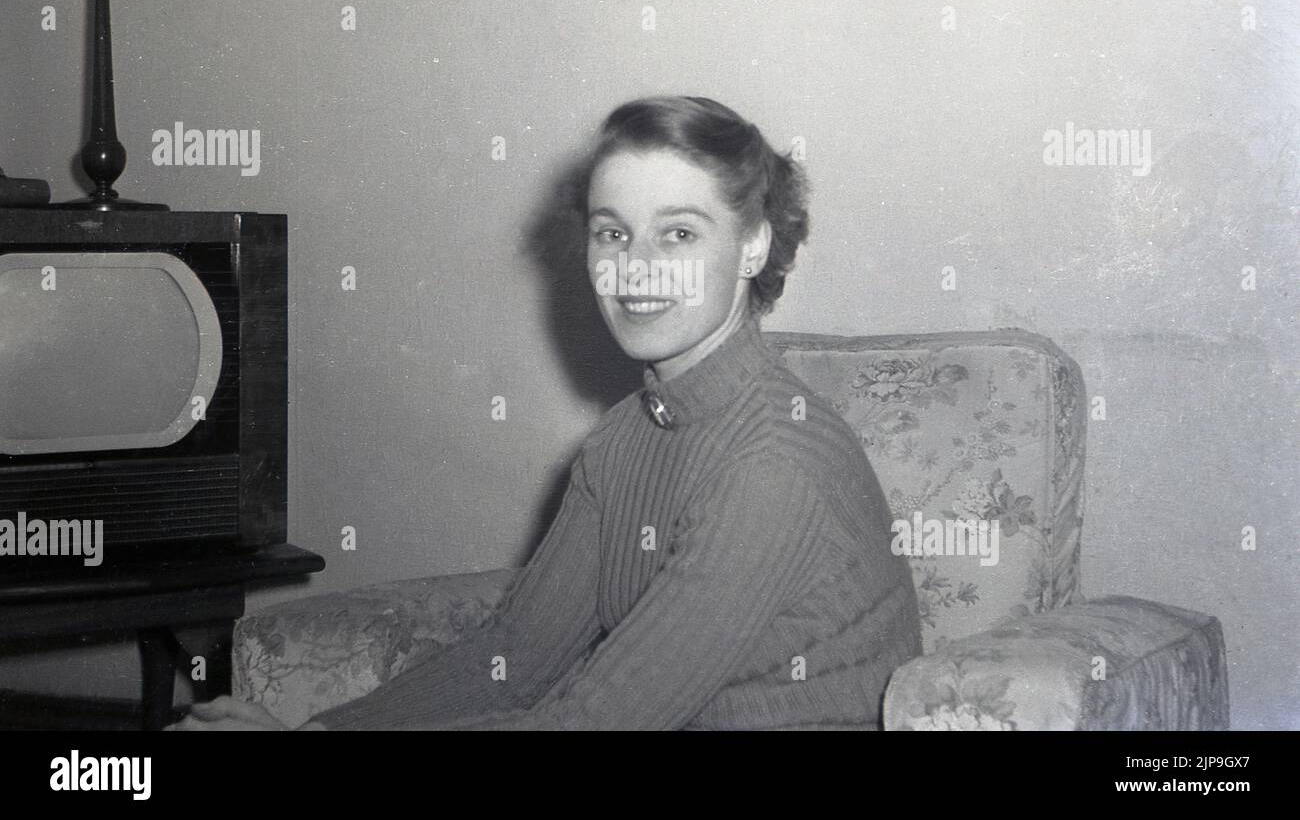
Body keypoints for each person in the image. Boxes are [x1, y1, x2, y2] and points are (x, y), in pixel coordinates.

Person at [171, 95, 922, 731]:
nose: (637, 267)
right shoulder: (628, 437)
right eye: (611, 231)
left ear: (754, 244)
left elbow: (598, 719)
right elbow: (513, 656)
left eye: (680, 233)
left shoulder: (773, 465)